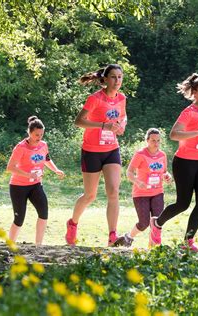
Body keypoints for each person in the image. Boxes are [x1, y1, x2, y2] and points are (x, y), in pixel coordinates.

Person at [149, 73, 198, 252]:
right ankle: (157, 224)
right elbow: (174, 134)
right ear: (195, 93)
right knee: (183, 203)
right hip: (185, 162)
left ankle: (188, 242)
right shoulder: (188, 112)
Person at [65, 64, 127, 247]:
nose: (117, 81)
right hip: (91, 151)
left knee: (113, 192)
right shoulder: (95, 99)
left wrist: (122, 124)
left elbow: (123, 116)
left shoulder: (122, 98)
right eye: (114, 77)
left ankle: (112, 236)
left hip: (111, 149)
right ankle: (72, 224)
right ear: (106, 79)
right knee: (90, 195)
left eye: (120, 77)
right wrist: (103, 126)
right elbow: (79, 121)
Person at [6, 116, 65, 246]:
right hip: (18, 187)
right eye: (36, 134)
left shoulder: (43, 145)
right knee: (19, 219)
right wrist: (28, 174)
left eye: (41, 134)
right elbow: (10, 168)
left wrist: (56, 170)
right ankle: (10, 245)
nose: (39, 137)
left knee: (43, 213)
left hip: (36, 185)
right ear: (29, 132)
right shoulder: (21, 147)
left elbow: (47, 160)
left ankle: (38, 245)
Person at [115, 128, 172, 248]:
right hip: (141, 193)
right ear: (147, 140)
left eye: (158, 141)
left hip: (157, 192)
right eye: (153, 140)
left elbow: (164, 172)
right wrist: (136, 181)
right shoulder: (140, 154)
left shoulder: (162, 155)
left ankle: (153, 247)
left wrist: (167, 176)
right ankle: (128, 237)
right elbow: (129, 172)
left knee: (156, 223)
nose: (155, 143)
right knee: (144, 223)